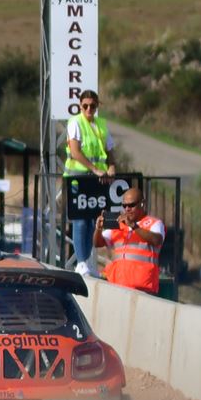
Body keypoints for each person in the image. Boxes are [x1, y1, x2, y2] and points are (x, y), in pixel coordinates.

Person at [63, 90, 115, 267]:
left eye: (92, 105)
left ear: (97, 105)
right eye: (85, 106)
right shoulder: (75, 122)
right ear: (80, 106)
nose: (88, 109)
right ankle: (82, 262)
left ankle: (87, 260)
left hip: (96, 180)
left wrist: (111, 166)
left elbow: (109, 150)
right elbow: (76, 152)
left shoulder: (101, 125)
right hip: (78, 178)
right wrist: (95, 169)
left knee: (93, 220)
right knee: (80, 220)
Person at [98, 187, 166, 293]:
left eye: (131, 205)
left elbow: (157, 240)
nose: (127, 209)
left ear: (142, 203)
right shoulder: (119, 225)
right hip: (117, 286)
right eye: (125, 206)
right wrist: (98, 229)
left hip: (143, 288)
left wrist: (134, 226)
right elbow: (97, 242)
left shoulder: (154, 223)